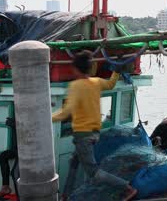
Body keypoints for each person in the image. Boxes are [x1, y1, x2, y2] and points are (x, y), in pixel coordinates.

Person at [52, 51, 137, 201]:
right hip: (94, 133)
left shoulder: (75, 85)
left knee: (93, 172)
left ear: (76, 69)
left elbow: (67, 111)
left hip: (83, 135)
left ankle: (128, 187)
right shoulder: (96, 82)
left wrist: (46, 118)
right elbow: (111, 84)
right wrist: (116, 70)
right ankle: (66, 195)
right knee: (74, 162)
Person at [0, 117, 19, 200]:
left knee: (15, 173)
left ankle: (21, 196)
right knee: (3, 156)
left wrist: (15, 125)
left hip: (26, 149)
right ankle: (5, 187)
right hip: (17, 149)